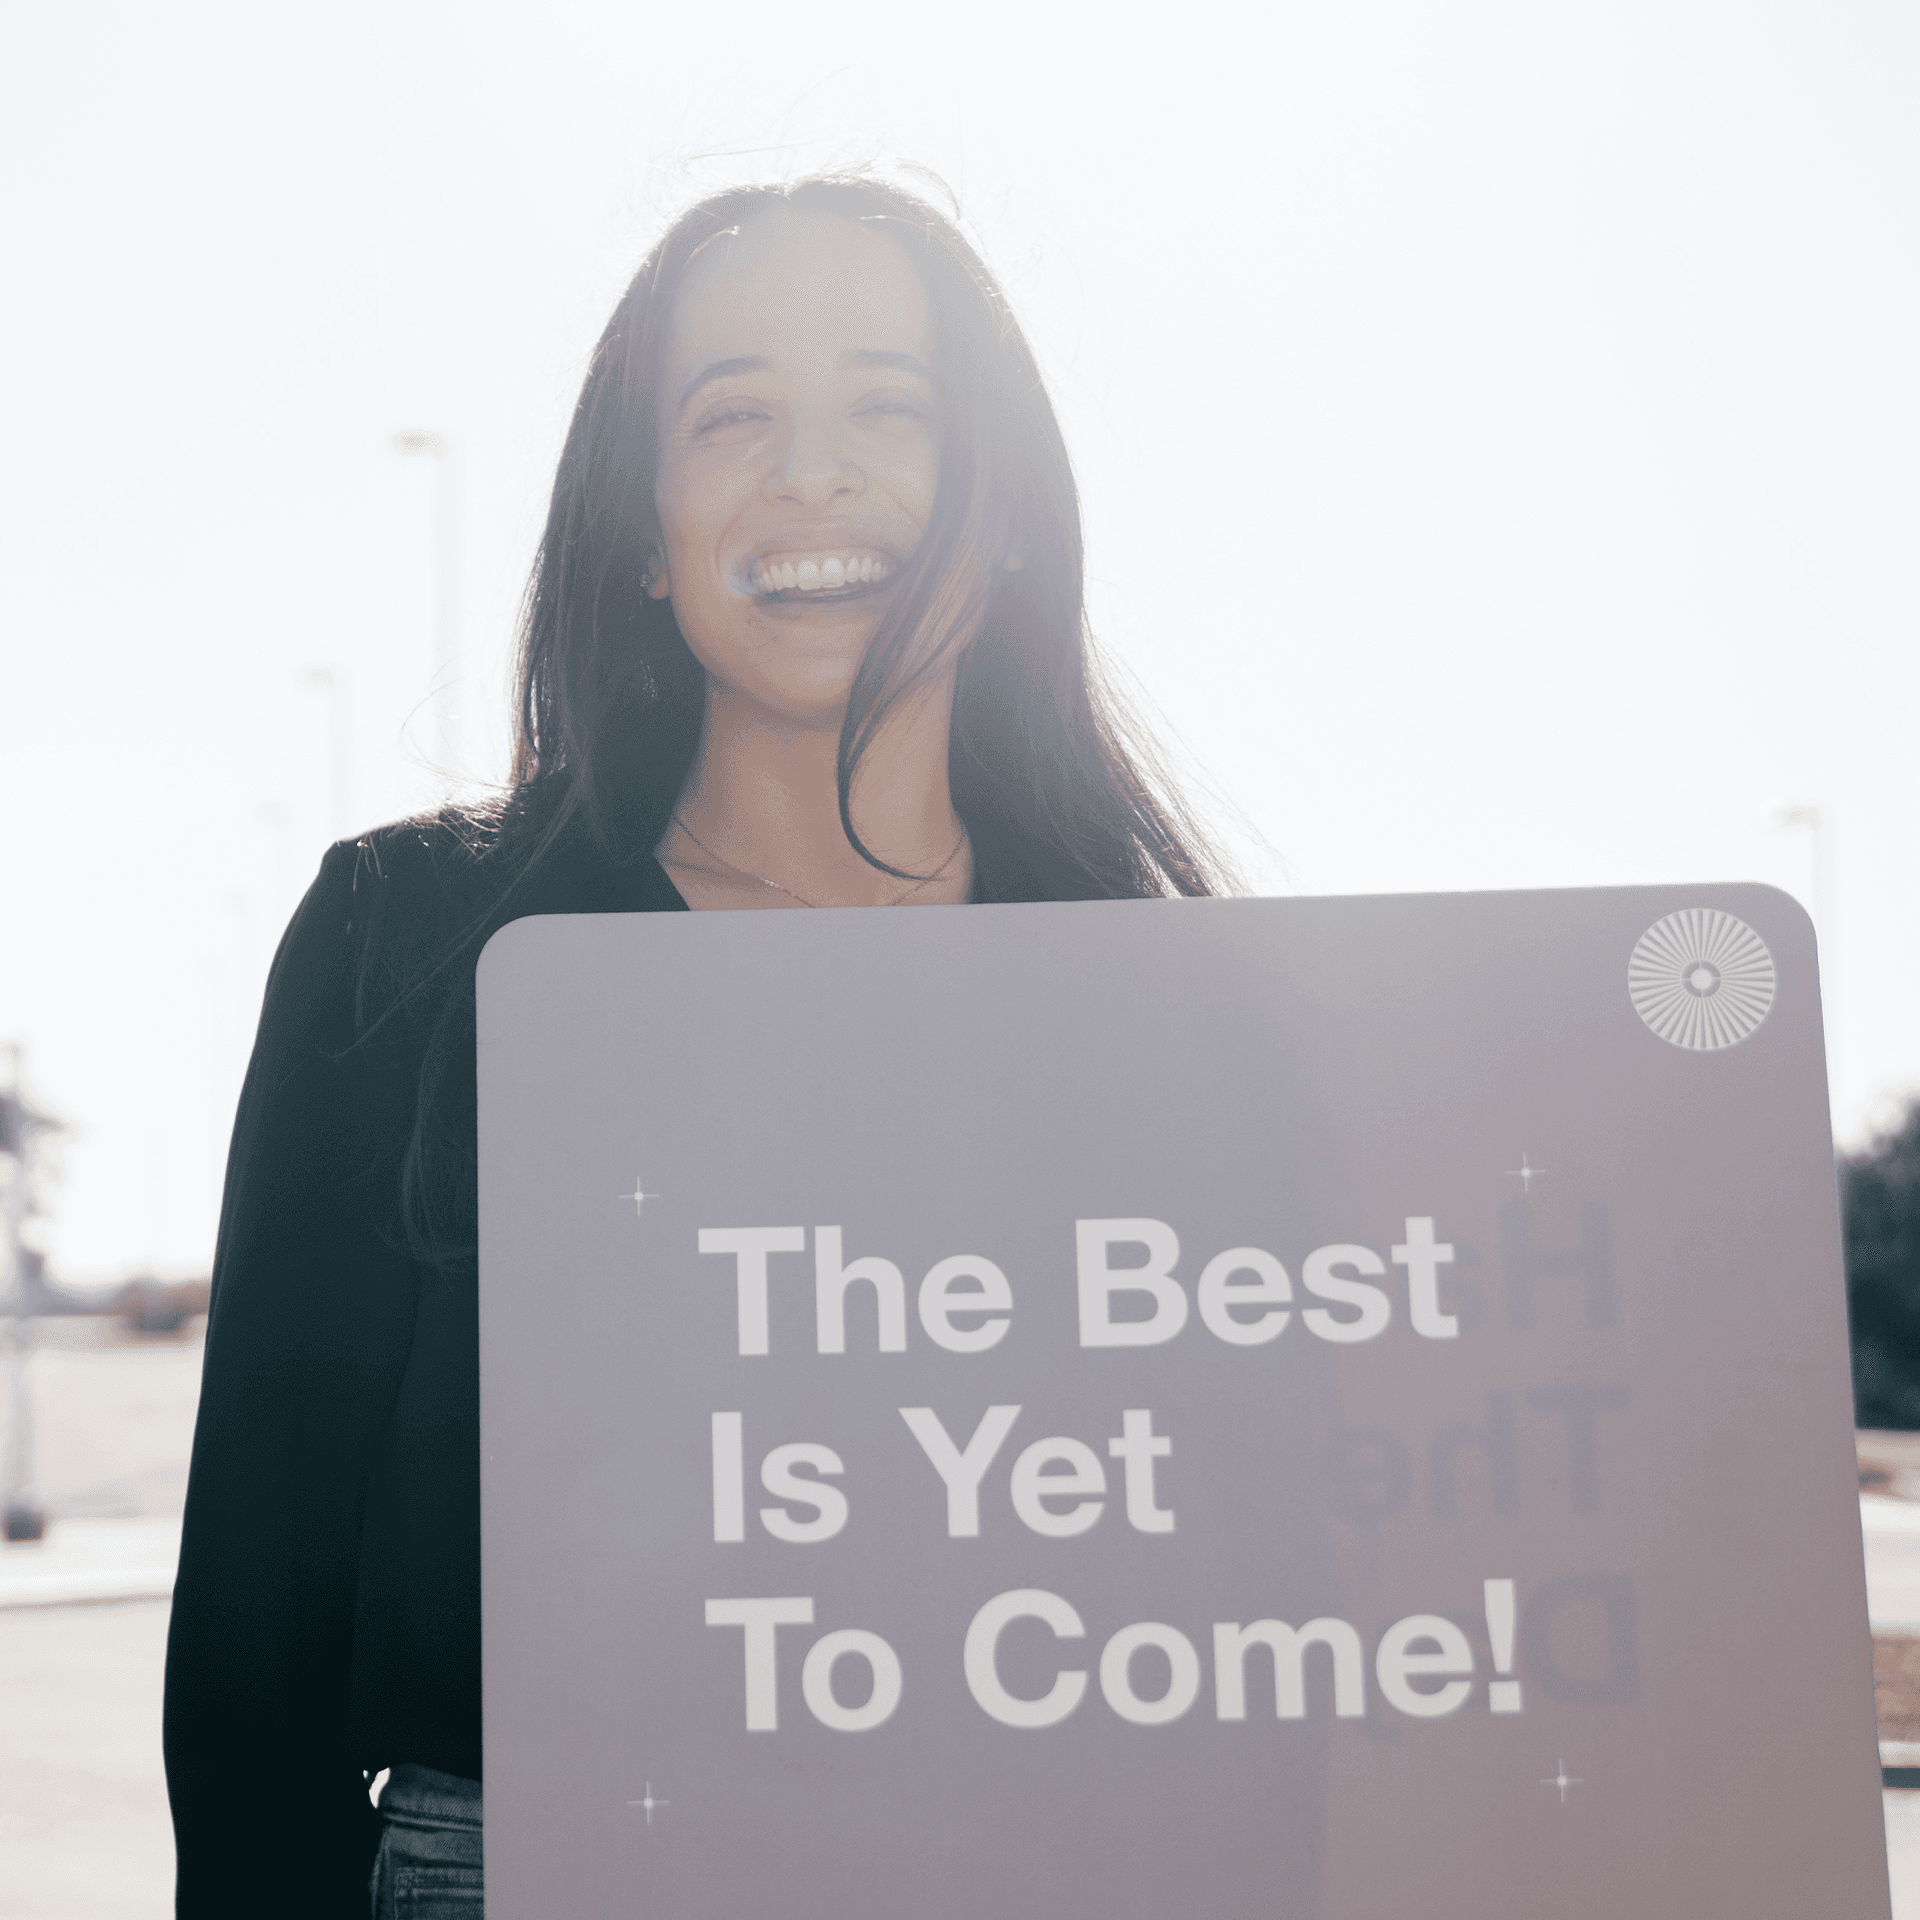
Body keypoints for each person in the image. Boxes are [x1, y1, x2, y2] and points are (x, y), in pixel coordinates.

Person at [163, 171, 1232, 1916]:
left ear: (1012, 509)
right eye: (734, 414)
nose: (813, 470)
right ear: (643, 532)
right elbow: (256, 1642)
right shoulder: (408, 951)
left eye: (892, 404)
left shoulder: (1176, 1009)